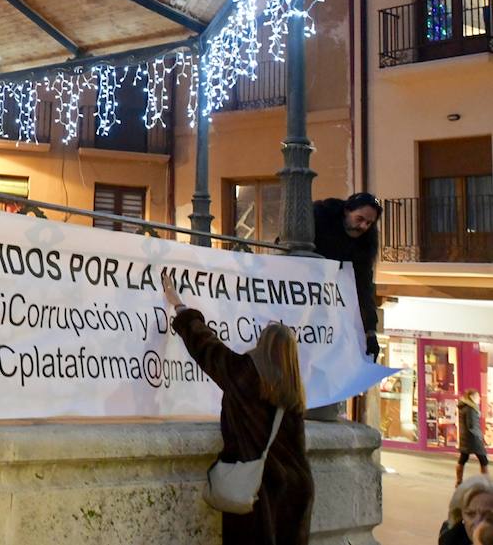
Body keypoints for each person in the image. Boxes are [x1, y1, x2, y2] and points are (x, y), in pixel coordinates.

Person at [162, 270, 313, 545]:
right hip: (294, 491)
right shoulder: (294, 393)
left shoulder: (243, 375)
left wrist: (178, 304)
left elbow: (204, 343)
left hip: (255, 494)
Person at [313, 193, 382, 360]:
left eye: (369, 223)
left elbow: (364, 286)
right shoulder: (320, 215)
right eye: (360, 219)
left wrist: (370, 331)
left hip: (329, 298)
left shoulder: (366, 243)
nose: (364, 226)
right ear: (346, 211)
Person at [443, 477, 493, 545]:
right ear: (460, 516)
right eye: (470, 514)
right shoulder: (451, 537)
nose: (477, 522)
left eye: (488, 516)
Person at [460, 390, 491, 486]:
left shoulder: (465, 407)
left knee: (463, 459)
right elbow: (472, 426)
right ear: (472, 397)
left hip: (466, 438)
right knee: (483, 460)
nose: (479, 399)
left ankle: (459, 481)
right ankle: (485, 482)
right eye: (477, 396)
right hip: (473, 439)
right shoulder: (471, 409)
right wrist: (481, 436)